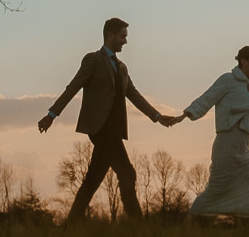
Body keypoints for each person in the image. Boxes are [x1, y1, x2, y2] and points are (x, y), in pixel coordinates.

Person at [38, 16, 175, 220]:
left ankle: (70, 225)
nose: (126, 41)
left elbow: (134, 94)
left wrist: (157, 116)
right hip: (100, 130)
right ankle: (139, 227)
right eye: (122, 36)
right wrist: (51, 114)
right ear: (110, 35)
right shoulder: (93, 60)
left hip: (115, 130)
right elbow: (73, 87)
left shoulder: (122, 67)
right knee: (127, 173)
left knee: (92, 180)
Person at [176, 45, 249, 219]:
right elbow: (208, 98)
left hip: (244, 148)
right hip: (226, 146)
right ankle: (190, 224)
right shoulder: (228, 80)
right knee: (215, 190)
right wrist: (185, 114)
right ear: (244, 61)